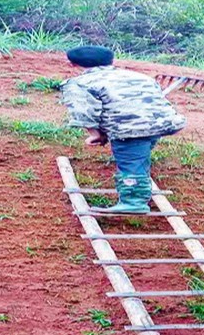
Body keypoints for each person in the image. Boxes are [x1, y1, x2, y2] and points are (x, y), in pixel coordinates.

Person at [59, 45, 186, 214]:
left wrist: (95, 134)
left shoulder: (79, 83)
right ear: (110, 61)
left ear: (73, 64)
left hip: (129, 128)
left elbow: (83, 111)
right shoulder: (140, 77)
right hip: (163, 122)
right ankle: (139, 180)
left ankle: (134, 202)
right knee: (138, 154)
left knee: (130, 160)